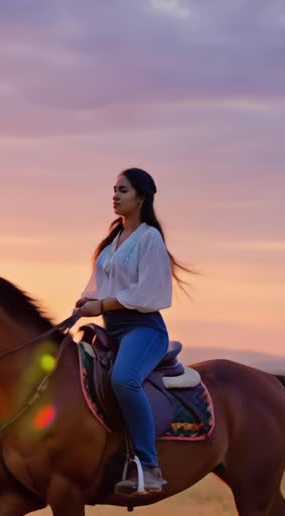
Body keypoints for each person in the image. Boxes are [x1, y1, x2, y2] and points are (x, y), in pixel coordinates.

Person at [74, 168, 189, 495]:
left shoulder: (149, 238)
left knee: (124, 378)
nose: (115, 195)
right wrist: (89, 300)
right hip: (112, 328)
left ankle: (149, 466)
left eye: (122, 190)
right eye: (114, 189)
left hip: (143, 328)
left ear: (140, 197)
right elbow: (101, 286)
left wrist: (103, 305)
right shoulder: (112, 242)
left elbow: (146, 293)